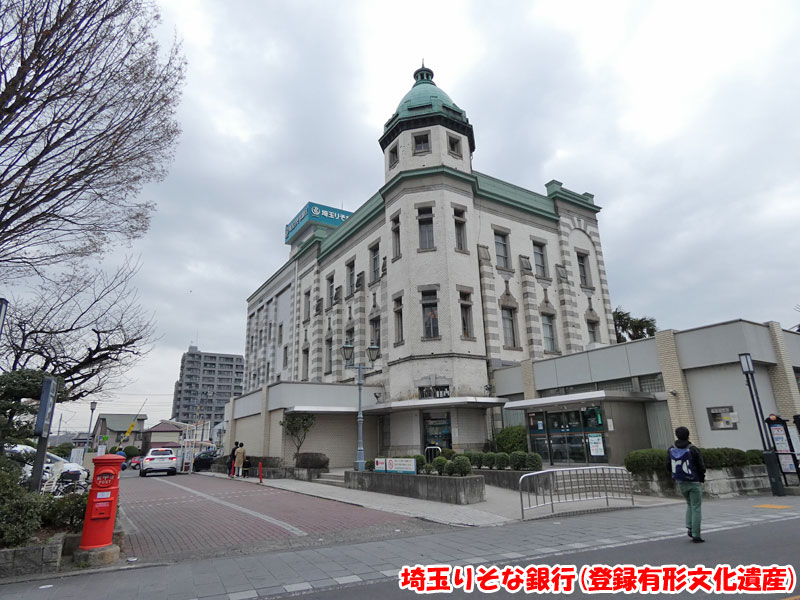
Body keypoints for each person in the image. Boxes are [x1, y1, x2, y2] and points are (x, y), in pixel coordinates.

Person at [666, 426, 706, 543]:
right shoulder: (693, 449)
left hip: (680, 481)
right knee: (696, 507)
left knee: (689, 504)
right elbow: (701, 466)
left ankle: (689, 527)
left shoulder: (671, 449)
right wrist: (701, 479)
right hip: (694, 481)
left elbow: (668, 465)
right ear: (688, 435)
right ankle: (696, 534)